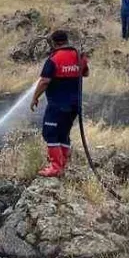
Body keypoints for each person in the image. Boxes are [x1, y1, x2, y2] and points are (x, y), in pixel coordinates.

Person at [29, 30, 89, 178]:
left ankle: (56, 167)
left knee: (50, 133)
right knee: (63, 134)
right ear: (66, 40)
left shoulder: (54, 59)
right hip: (75, 106)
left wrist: (35, 97)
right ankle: (62, 165)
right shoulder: (78, 55)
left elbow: (44, 81)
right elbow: (86, 73)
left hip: (58, 105)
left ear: (54, 43)